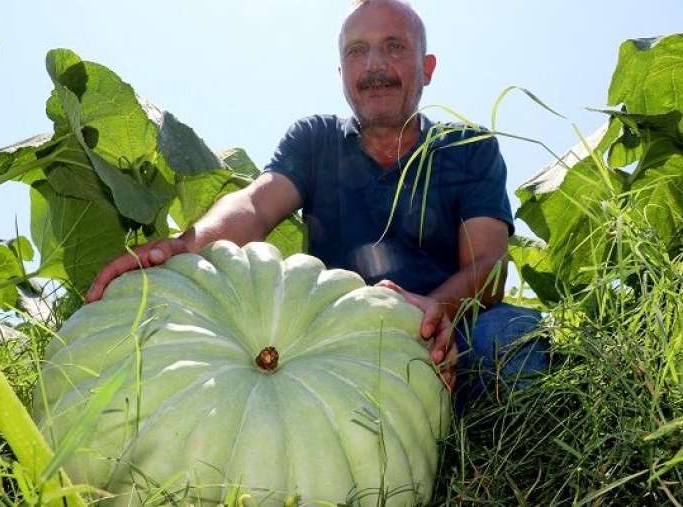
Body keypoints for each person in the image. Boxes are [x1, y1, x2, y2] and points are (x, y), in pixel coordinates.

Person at [86, 0, 548, 401]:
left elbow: (489, 265)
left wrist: (433, 309)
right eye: (357, 52)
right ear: (342, 72)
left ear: (426, 67)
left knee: (510, 337)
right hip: (338, 342)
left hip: (449, 331)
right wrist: (188, 242)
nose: (374, 67)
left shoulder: (468, 147)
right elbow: (255, 206)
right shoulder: (315, 140)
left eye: (394, 47)